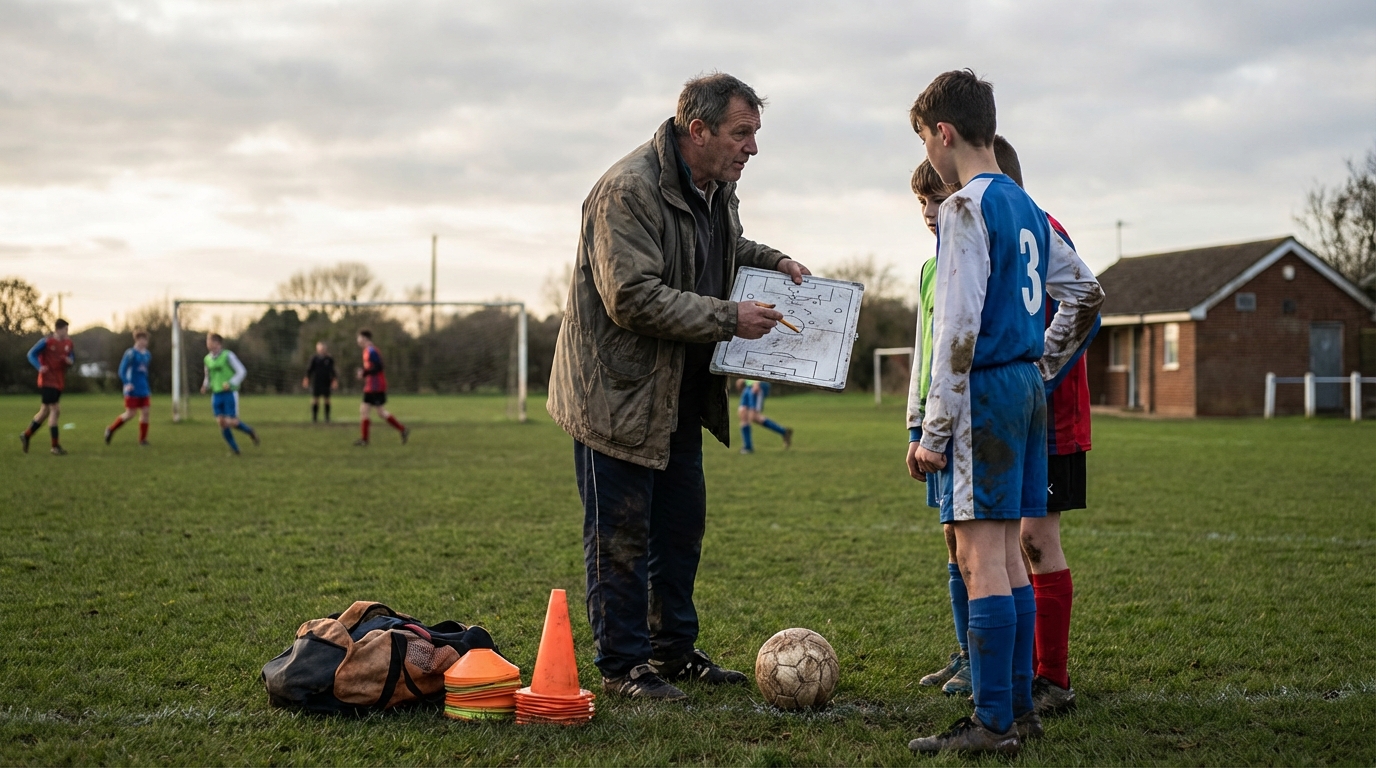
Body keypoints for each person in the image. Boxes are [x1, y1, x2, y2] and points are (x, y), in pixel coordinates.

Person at [547, 72, 810, 701]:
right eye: (741, 134)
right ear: (698, 130)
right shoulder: (626, 191)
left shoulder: (717, 186)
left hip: (679, 398)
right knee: (621, 535)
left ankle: (672, 652)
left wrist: (772, 261)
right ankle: (623, 667)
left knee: (679, 528)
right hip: (616, 396)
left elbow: (723, 245)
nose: (752, 148)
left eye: (755, 134)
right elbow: (631, 297)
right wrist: (728, 318)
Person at [904, 70, 1102, 756]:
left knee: (980, 552)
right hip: (1025, 393)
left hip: (985, 391)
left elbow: (956, 330)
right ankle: (1019, 707)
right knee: (1013, 559)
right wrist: (1042, 366)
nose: (928, 154)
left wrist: (934, 433)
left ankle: (992, 725)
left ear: (943, 132)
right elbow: (1087, 295)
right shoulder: (1026, 205)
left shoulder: (965, 208)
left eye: (924, 139)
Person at [906, 160, 972, 696]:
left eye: (938, 199)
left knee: (977, 544)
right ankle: (964, 650)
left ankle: (983, 656)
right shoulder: (929, 271)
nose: (929, 213)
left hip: (966, 423)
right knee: (951, 539)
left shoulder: (973, 260)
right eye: (922, 203)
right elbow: (923, 355)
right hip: (933, 425)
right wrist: (915, 425)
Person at [19, 318, 74, 455]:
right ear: (58, 329)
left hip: (59, 381)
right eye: (65, 329)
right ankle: (55, 447)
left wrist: (69, 361)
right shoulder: (47, 342)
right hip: (47, 381)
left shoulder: (68, 343)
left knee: (44, 411)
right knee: (55, 410)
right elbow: (31, 354)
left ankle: (26, 435)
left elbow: (72, 357)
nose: (67, 332)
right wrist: (39, 366)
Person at [201, 333, 259, 455]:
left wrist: (231, 383)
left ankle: (250, 431)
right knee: (221, 422)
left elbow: (241, 371)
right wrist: (205, 385)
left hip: (229, 394)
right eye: (207, 341)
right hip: (216, 394)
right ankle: (235, 449)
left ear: (218, 343)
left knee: (232, 422)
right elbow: (208, 375)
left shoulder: (228, 355)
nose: (208, 343)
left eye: (210, 341)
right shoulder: (207, 359)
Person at [354, 329, 408, 447]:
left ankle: (402, 429)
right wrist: (364, 372)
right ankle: (364, 440)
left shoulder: (371, 350)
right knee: (365, 410)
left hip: (376, 386)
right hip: (370, 386)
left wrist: (364, 373)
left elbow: (379, 366)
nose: (357, 340)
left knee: (381, 412)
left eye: (358, 337)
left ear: (364, 338)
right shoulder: (367, 350)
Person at [105, 329, 153, 446]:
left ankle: (143, 440)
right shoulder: (130, 353)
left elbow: (144, 372)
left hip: (143, 388)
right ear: (137, 340)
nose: (144, 342)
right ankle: (111, 429)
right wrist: (127, 383)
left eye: (145, 340)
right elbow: (122, 370)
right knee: (130, 414)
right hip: (132, 388)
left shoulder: (147, 354)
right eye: (141, 340)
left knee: (146, 412)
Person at [735, 378, 793, 454]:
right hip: (748, 385)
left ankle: (784, 432)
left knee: (754, 417)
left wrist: (756, 382)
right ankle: (747, 447)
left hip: (757, 384)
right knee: (742, 413)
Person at [302, 341, 339, 423]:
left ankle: (327, 418)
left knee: (327, 399)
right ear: (317, 349)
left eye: (323, 348)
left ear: (325, 349)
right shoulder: (314, 359)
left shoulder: (329, 359)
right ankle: (314, 418)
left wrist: (334, 380)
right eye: (320, 348)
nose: (322, 350)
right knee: (315, 399)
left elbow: (332, 371)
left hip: (326, 381)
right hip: (317, 381)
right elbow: (309, 370)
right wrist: (306, 378)